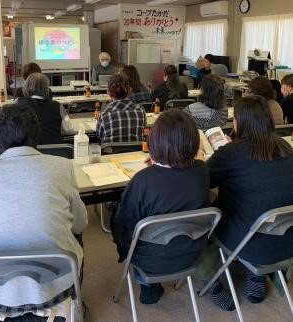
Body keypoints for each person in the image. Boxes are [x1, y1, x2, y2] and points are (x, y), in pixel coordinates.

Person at [0, 103, 88, 319]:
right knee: (77, 236)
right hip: (56, 282)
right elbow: (80, 223)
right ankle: (77, 301)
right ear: (35, 135)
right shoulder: (62, 167)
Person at [111, 109, 210, 304]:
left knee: (119, 220)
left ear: (155, 143)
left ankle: (148, 285)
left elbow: (123, 223)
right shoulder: (202, 171)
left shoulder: (143, 181)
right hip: (192, 252)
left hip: (148, 259)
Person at [207, 95, 293, 309]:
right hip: (287, 243)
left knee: (201, 211)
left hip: (247, 243)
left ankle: (212, 283)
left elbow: (205, 181)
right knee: (260, 203)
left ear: (239, 122)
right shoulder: (285, 146)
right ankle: (257, 277)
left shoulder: (231, 152)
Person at [17, 73, 72, 144]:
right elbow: (69, 129)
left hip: (28, 151)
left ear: (26, 86)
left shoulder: (18, 103)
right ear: (47, 88)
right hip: (55, 152)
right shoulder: (57, 106)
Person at [96, 74, 146, 144]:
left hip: (111, 154)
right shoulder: (141, 111)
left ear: (109, 92)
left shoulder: (104, 114)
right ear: (129, 90)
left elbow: (98, 136)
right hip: (136, 154)